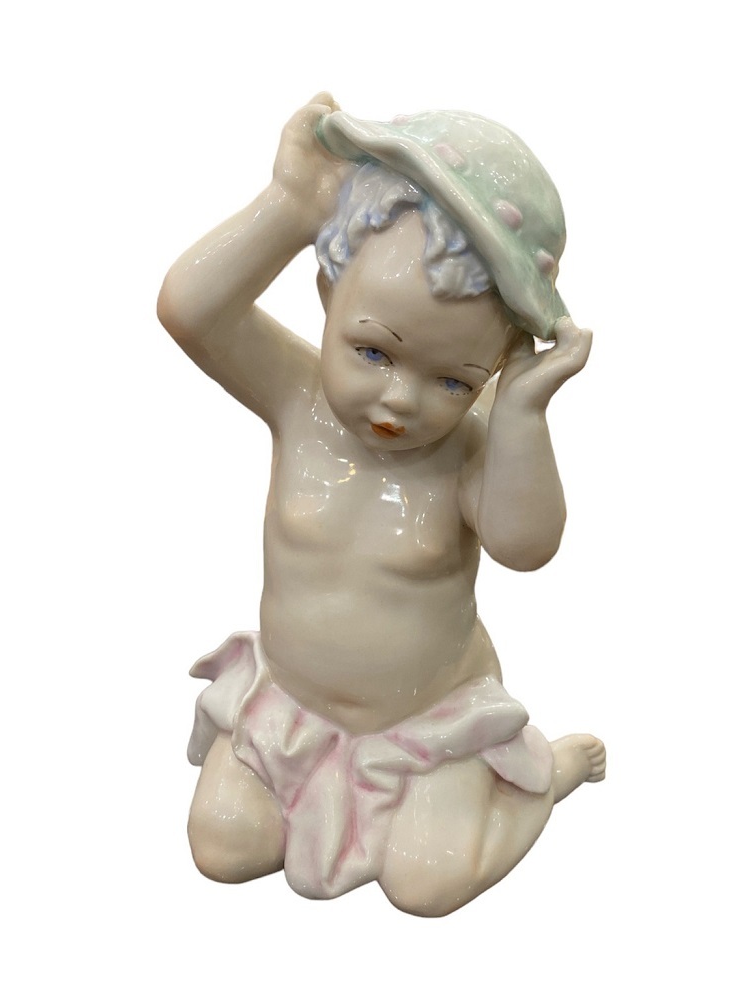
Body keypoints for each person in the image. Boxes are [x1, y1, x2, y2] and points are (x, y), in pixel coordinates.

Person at [157, 94, 605, 916]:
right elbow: (191, 310)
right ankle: (310, 790)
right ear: (327, 291)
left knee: (427, 885)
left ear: (493, 369)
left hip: (429, 723)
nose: (399, 401)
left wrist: (521, 413)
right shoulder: (297, 396)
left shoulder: (469, 450)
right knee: (222, 847)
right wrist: (290, 208)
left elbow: (526, 544)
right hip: (293, 707)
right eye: (371, 351)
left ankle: (541, 779)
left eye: (453, 382)